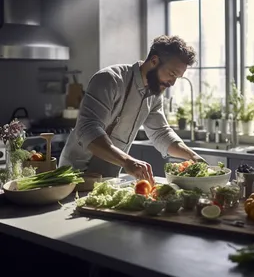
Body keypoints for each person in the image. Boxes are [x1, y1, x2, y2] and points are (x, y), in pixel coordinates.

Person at [59, 35, 206, 185]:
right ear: (154, 61)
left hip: (108, 178)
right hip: (74, 174)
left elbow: (161, 133)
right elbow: (88, 130)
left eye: (177, 78)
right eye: (172, 74)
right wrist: (128, 161)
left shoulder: (154, 95)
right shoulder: (110, 79)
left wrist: (192, 156)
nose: (173, 83)